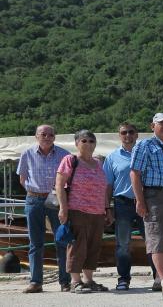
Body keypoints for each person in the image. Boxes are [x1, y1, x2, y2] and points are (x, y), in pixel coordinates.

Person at [130, 113, 163, 297]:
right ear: (153, 126)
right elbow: (135, 173)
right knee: (156, 237)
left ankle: (160, 277)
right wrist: (140, 200)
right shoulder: (144, 145)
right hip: (154, 194)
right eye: (162, 124)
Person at [56, 130, 110, 293]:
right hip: (77, 209)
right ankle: (75, 281)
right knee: (77, 246)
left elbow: (103, 188)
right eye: (84, 140)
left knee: (94, 246)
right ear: (77, 143)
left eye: (91, 141)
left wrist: (107, 209)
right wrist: (63, 208)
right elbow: (59, 185)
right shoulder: (70, 160)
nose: (88, 144)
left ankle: (89, 280)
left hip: (98, 212)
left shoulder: (98, 163)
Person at [17, 124, 70, 293]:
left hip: (56, 200)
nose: (47, 137)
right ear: (36, 136)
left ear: (55, 136)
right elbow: (22, 178)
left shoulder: (64, 155)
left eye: (50, 134)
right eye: (43, 134)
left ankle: (65, 281)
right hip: (34, 199)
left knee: (62, 240)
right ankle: (36, 282)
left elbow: (70, 179)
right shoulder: (27, 153)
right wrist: (34, 192)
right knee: (35, 243)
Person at [104, 123, 156, 290]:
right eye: (124, 132)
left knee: (152, 241)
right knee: (123, 244)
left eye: (131, 132)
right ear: (119, 136)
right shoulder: (112, 157)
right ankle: (124, 279)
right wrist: (107, 208)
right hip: (122, 203)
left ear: (137, 134)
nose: (127, 135)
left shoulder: (148, 154)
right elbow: (108, 185)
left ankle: (158, 277)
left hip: (146, 202)